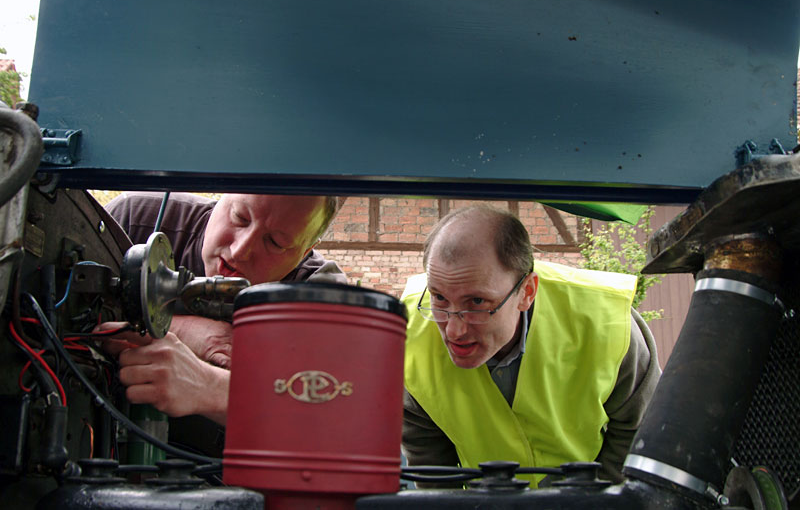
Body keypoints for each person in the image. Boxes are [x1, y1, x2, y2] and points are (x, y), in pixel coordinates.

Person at [400, 204, 661, 486]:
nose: (453, 330)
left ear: (527, 292)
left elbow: (641, 432)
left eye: (476, 302)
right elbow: (432, 468)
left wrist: (592, 499)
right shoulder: (407, 337)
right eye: (439, 298)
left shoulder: (606, 322)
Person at [99, 192, 347, 456]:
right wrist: (189, 332)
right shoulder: (135, 219)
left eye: (275, 243)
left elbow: (336, 424)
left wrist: (211, 388)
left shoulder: (324, 297)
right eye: (240, 217)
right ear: (221, 198)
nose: (241, 250)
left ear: (305, 252)